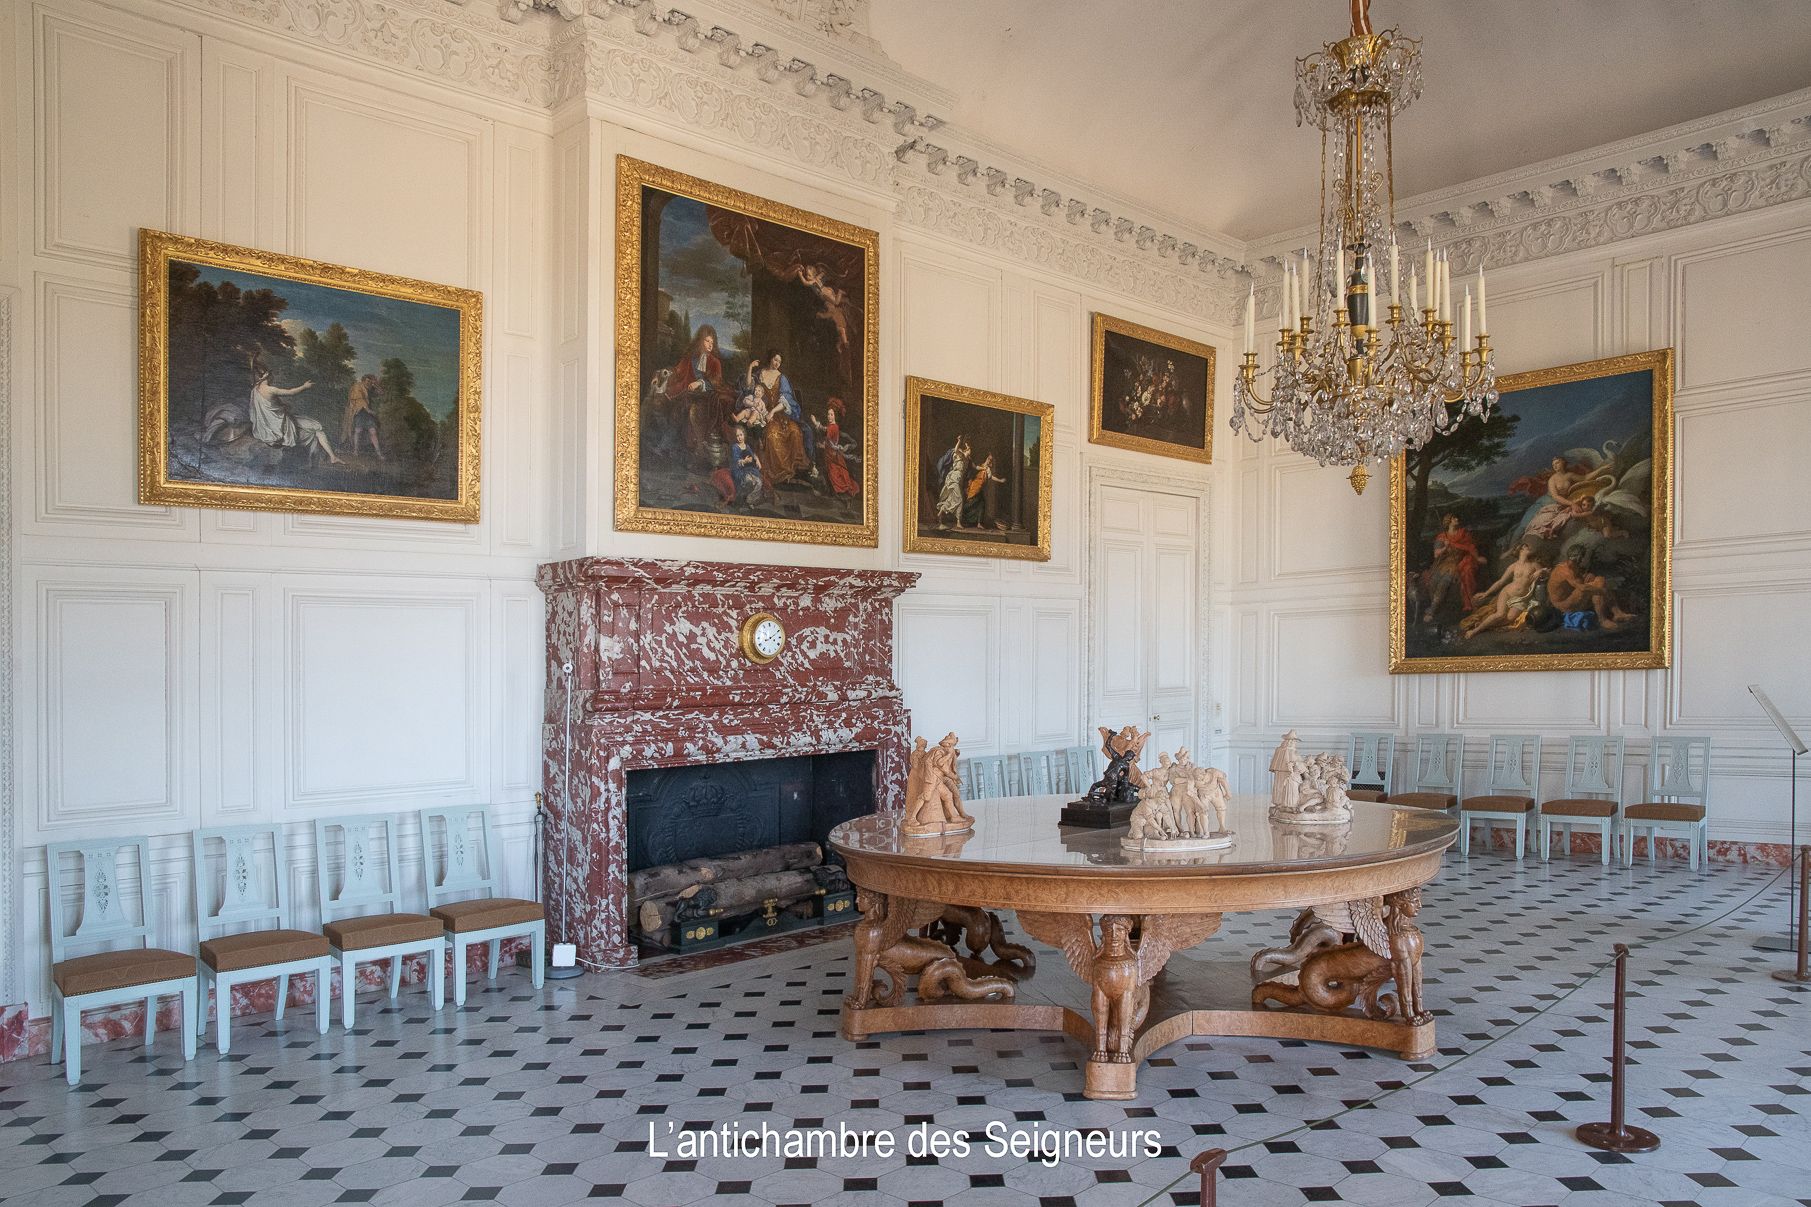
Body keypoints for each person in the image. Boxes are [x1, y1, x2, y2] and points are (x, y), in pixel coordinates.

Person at [663, 326, 731, 462]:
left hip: (707, 398)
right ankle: (669, 446)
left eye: (712, 342)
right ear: (700, 341)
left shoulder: (715, 362)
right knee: (677, 407)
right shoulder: (691, 359)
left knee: (688, 408)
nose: (710, 345)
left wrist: (700, 383)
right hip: (689, 394)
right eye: (707, 341)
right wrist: (667, 373)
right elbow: (677, 371)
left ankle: (689, 450)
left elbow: (717, 382)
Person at [248, 366, 340, 464]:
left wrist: (282, 406)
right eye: (271, 374)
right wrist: (304, 386)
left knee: (305, 423)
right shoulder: (270, 390)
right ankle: (333, 457)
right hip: (279, 425)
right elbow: (291, 392)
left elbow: (270, 406)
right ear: (267, 376)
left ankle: (330, 457)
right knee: (317, 427)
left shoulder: (255, 390)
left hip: (265, 427)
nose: (273, 377)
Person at [1460, 543, 1550, 638]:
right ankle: (1475, 631)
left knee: (1510, 618)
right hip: (1507, 592)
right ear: (1521, 550)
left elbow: (1546, 576)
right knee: (1500, 614)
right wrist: (1486, 593)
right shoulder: (1513, 566)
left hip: (1522, 598)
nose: (1530, 548)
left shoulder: (1534, 565)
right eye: (1526, 547)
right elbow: (1501, 581)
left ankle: (1485, 626)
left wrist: (1542, 572)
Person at [753, 351, 811, 485]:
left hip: (779, 413)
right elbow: (750, 389)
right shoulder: (759, 374)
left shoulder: (782, 378)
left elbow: (786, 399)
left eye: (779, 361)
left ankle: (795, 470)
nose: (777, 363)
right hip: (763, 412)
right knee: (771, 436)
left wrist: (773, 411)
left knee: (795, 431)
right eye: (775, 360)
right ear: (770, 359)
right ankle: (780, 474)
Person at [1547, 549, 1636, 631]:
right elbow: (1582, 588)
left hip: (1571, 597)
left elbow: (1576, 582)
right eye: (1582, 556)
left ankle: (1617, 613)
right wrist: (1602, 591)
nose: (1582, 560)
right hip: (1564, 605)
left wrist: (1587, 577)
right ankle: (1602, 620)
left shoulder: (1573, 565)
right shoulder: (1565, 570)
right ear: (1577, 556)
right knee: (1598, 586)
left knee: (1600, 579)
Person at [1422, 514, 1483, 622]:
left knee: (1445, 581)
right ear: (1448, 521)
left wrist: (1477, 558)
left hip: (1457, 563)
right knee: (1435, 581)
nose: (1457, 519)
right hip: (1443, 563)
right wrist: (1445, 547)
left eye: (1457, 518)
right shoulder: (1442, 537)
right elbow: (1436, 554)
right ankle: (1438, 609)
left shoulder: (1463, 534)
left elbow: (1471, 547)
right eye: (1454, 518)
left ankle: (1432, 610)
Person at [814, 397, 859, 497]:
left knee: (836, 475)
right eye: (828, 414)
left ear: (835, 416)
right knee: (832, 474)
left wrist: (815, 423)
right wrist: (822, 445)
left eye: (831, 415)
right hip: (829, 454)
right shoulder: (832, 426)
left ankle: (843, 495)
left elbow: (829, 440)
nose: (829, 417)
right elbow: (829, 440)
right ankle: (833, 493)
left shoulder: (833, 427)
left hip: (833, 456)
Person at [962, 452, 1008, 530]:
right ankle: (963, 519)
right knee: (969, 504)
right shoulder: (981, 466)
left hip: (980, 489)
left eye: (991, 460)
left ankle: (979, 523)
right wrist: (970, 458)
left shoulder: (988, 469)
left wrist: (1000, 480)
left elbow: (991, 477)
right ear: (986, 459)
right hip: (974, 488)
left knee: (982, 504)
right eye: (989, 459)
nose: (989, 461)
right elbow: (974, 468)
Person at [341, 373, 383, 459]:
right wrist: (369, 410)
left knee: (373, 431)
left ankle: (379, 453)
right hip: (358, 412)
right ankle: (356, 451)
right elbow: (360, 400)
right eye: (367, 381)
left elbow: (381, 393)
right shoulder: (357, 387)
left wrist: (376, 385)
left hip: (367, 413)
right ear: (363, 380)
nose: (369, 383)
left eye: (370, 381)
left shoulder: (370, 388)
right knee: (358, 431)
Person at [934, 436, 970, 529]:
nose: (969, 450)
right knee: (960, 499)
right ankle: (958, 522)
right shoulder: (960, 454)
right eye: (967, 449)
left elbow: (973, 462)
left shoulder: (966, 459)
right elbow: (957, 449)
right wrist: (959, 441)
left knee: (951, 499)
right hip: (954, 478)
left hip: (958, 479)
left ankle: (940, 512)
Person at [727, 425, 764, 506]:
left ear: (744, 435)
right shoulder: (735, 447)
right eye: (737, 436)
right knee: (749, 481)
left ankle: (750, 500)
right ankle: (742, 500)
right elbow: (736, 461)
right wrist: (744, 461)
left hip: (749, 468)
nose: (739, 437)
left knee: (759, 482)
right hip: (739, 469)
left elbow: (753, 454)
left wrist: (757, 460)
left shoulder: (747, 446)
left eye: (741, 435)